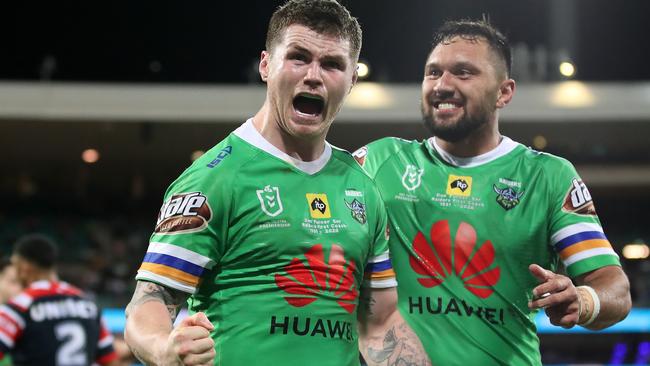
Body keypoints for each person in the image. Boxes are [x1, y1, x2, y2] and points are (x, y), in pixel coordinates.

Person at [124, 1, 429, 365]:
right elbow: (150, 299)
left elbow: (380, 323)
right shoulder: (215, 177)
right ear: (266, 65)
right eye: (298, 57)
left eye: (332, 64)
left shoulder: (361, 186)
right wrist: (163, 347)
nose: (313, 75)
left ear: (351, 81)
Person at [353, 19, 631, 365]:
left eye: (463, 72)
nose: (442, 85)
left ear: (504, 92)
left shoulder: (547, 177)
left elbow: (614, 287)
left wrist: (585, 300)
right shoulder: (379, 162)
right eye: (432, 72)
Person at [0, 234, 119, 366]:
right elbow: (111, 361)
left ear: (25, 267)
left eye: (15, 264)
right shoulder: (88, 305)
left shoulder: (19, 308)